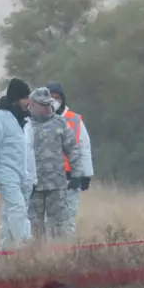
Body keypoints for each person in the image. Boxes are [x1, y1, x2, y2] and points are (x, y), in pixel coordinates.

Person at [0, 77, 35, 250]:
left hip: (23, 175)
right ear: (15, 98)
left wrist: (31, 178)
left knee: (9, 214)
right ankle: (26, 246)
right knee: (18, 209)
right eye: (25, 97)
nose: (29, 101)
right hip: (5, 172)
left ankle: (6, 252)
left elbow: (29, 151)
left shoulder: (25, 121)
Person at [25, 87, 82, 240]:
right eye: (43, 105)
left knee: (58, 225)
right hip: (33, 185)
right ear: (33, 104)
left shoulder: (59, 122)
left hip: (56, 185)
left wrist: (77, 174)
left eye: (49, 104)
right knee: (34, 226)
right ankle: (37, 257)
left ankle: (57, 256)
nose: (47, 108)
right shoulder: (25, 124)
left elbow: (73, 149)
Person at [46, 82, 93, 236]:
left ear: (63, 98)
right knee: (47, 220)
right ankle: (48, 255)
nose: (54, 100)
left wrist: (86, 175)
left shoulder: (74, 119)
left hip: (69, 177)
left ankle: (67, 252)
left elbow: (84, 148)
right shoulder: (36, 119)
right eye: (50, 97)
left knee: (68, 218)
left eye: (57, 97)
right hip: (45, 177)